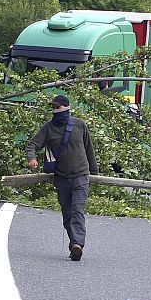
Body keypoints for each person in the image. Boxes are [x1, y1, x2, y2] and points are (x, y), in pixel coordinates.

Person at [26, 95, 98, 261]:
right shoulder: (48, 128)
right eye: (53, 108)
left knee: (77, 210)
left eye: (58, 107)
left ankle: (78, 244)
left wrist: (94, 173)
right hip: (61, 178)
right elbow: (32, 144)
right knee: (67, 213)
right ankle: (74, 245)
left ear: (66, 107)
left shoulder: (80, 125)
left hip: (81, 175)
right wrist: (32, 158)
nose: (55, 110)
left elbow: (89, 149)